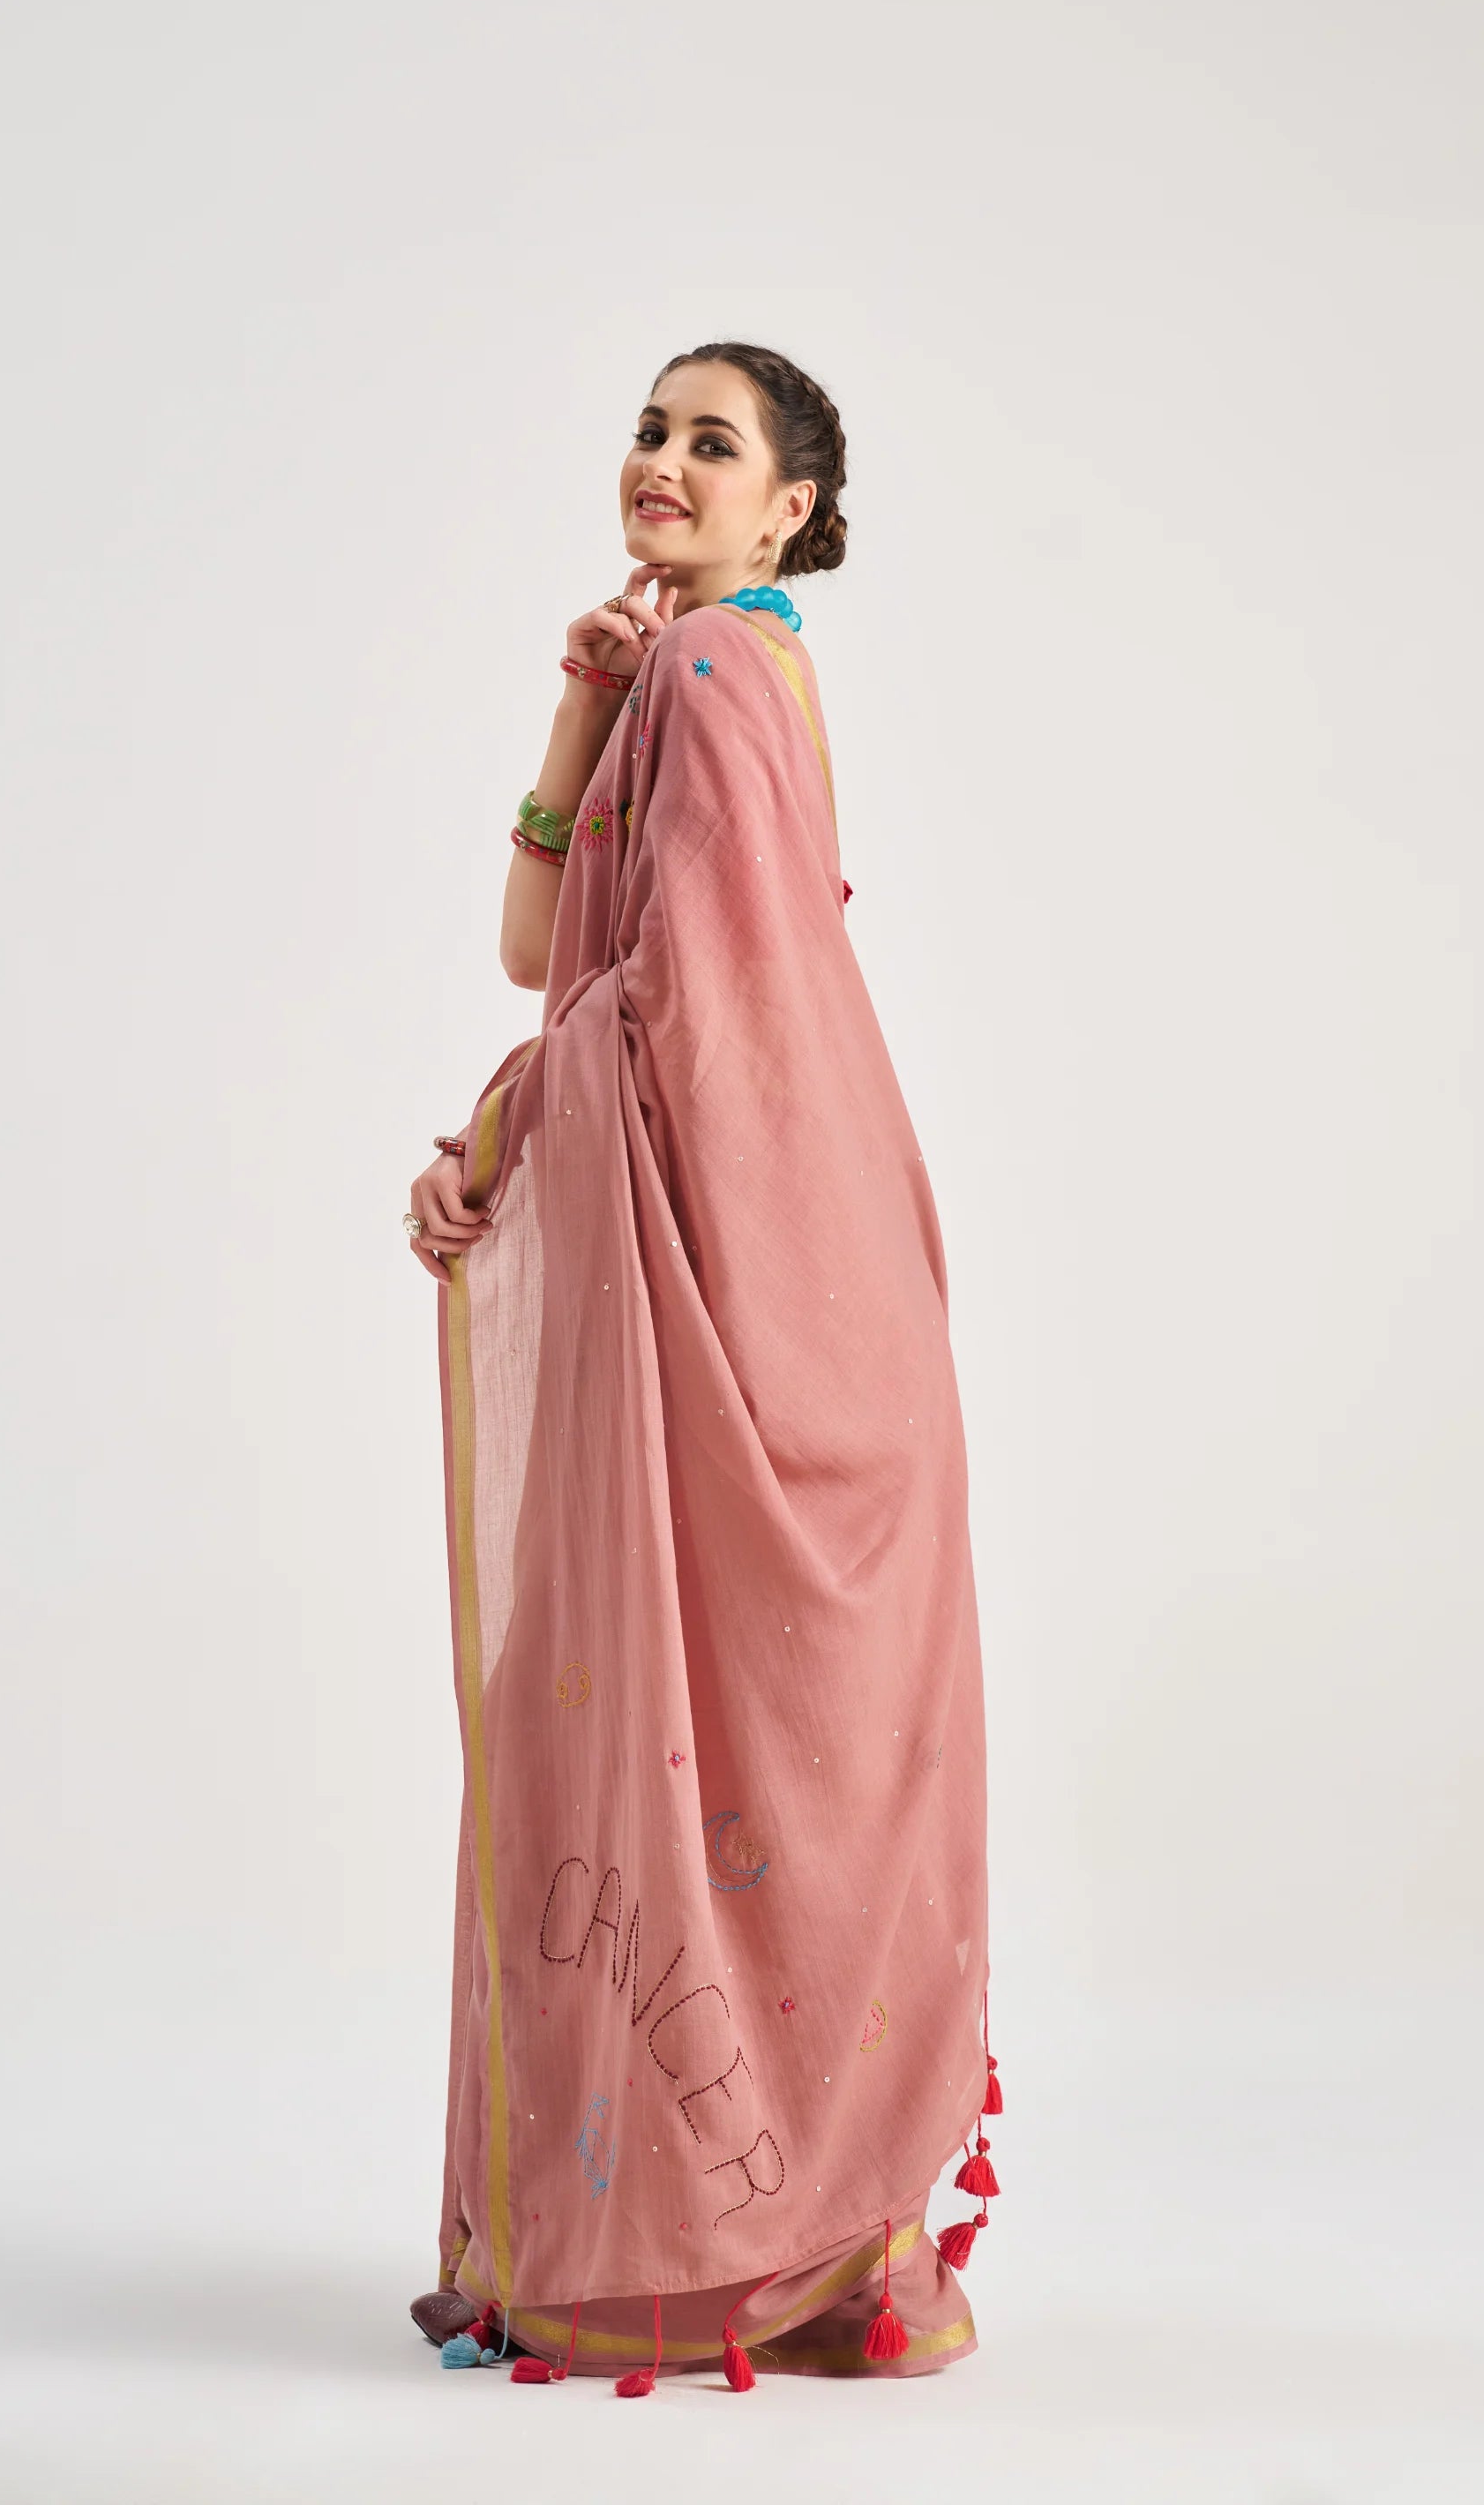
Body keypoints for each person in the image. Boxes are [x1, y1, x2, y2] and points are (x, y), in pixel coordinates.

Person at [401, 342, 1001, 2390]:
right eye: (650, 428)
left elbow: (691, 1004)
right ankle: (805, 2242)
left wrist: (500, 1128)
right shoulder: (691, 670)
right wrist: (578, 706)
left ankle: (748, 2242)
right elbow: (540, 948)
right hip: (788, 1254)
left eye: (711, 442)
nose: (662, 460)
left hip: (757, 1277)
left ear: (792, 510)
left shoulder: (721, 670)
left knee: (725, 1729)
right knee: (744, 1739)